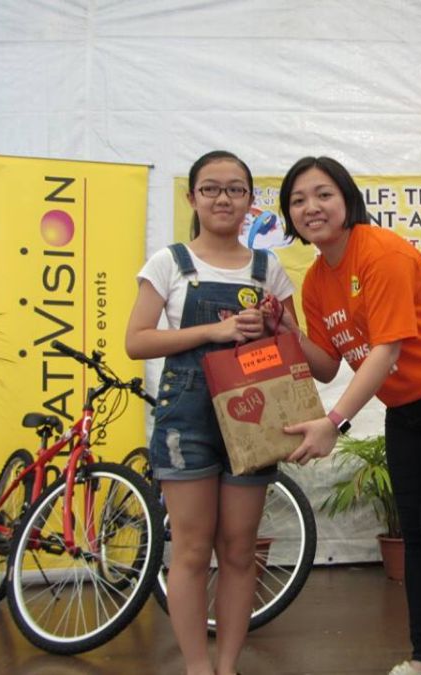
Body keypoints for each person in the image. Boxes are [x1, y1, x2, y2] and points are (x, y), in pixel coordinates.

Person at [277, 156, 421, 675]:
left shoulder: (381, 252)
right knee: (415, 532)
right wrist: (287, 330)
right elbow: (327, 366)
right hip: (406, 407)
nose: (311, 207)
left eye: (323, 194)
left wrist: (334, 423)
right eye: (298, 200)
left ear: (347, 199)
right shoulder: (316, 281)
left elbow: (386, 350)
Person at [125, 150, 296, 675]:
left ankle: (228, 665)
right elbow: (137, 341)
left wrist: (272, 326)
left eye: (235, 189)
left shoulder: (268, 269)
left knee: (241, 550)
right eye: (211, 188)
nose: (224, 198)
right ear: (192, 198)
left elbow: (293, 346)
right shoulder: (170, 262)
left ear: (250, 200)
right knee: (193, 551)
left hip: (253, 416)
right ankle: (198, 667)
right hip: (188, 418)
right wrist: (215, 331)